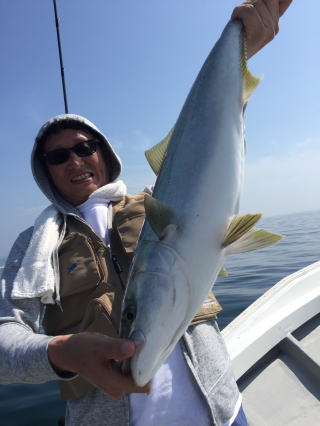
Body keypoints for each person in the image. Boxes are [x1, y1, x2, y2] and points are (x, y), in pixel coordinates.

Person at [0, 1, 292, 425]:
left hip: (222, 414)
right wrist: (59, 352)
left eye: (84, 148)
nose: (75, 161)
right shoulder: (32, 246)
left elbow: (209, 157)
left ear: (104, 153)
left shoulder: (158, 198)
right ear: (44, 171)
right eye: (57, 156)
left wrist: (242, 50)